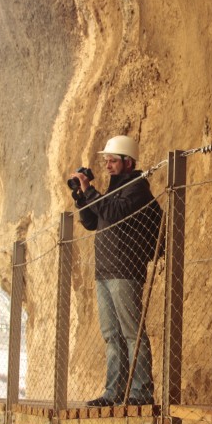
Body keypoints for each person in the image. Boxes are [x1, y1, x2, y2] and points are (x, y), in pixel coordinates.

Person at [70, 135, 161, 407]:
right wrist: (81, 197)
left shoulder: (137, 188)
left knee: (132, 334)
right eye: (106, 161)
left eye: (112, 161)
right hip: (105, 271)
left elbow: (114, 212)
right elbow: (90, 221)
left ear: (128, 162)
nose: (107, 165)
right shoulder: (111, 192)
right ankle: (114, 394)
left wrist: (90, 191)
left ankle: (141, 394)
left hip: (125, 270)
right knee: (112, 336)